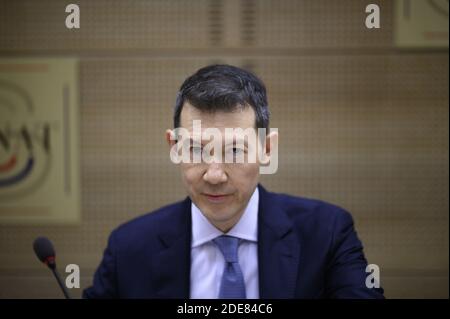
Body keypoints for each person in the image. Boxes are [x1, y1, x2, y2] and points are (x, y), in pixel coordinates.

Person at [83, 64, 384, 299]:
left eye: (235, 151)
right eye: (196, 150)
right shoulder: (129, 248)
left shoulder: (327, 234)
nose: (214, 175)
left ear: (267, 149)